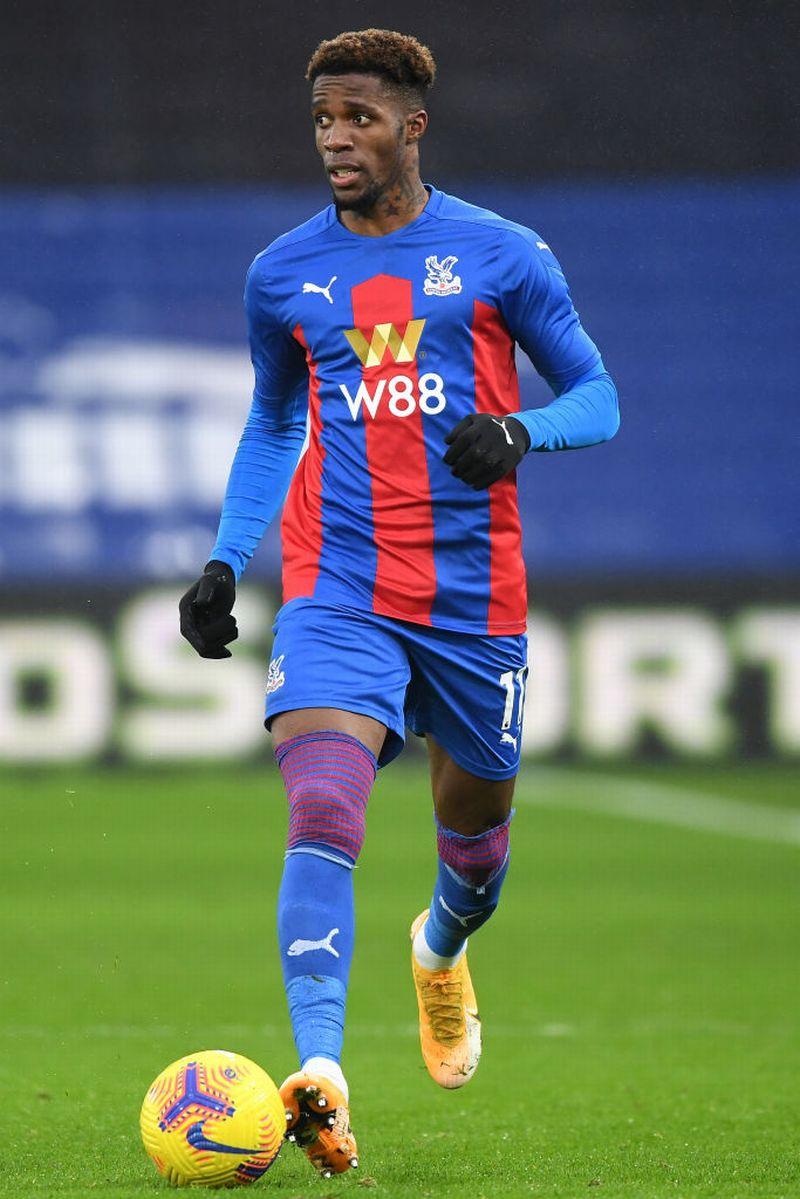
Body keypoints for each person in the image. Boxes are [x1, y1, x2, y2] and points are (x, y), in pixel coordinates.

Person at [179, 27, 619, 1180]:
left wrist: (518, 429)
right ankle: (320, 1071)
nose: (336, 139)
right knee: (324, 800)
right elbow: (275, 420)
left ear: (411, 127)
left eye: (360, 119)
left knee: (474, 846)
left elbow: (597, 395)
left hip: (472, 597)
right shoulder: (283, 273)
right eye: (323, 119)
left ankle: (438, 945)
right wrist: (225, 559)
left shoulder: (501, 254)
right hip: (338, 585)